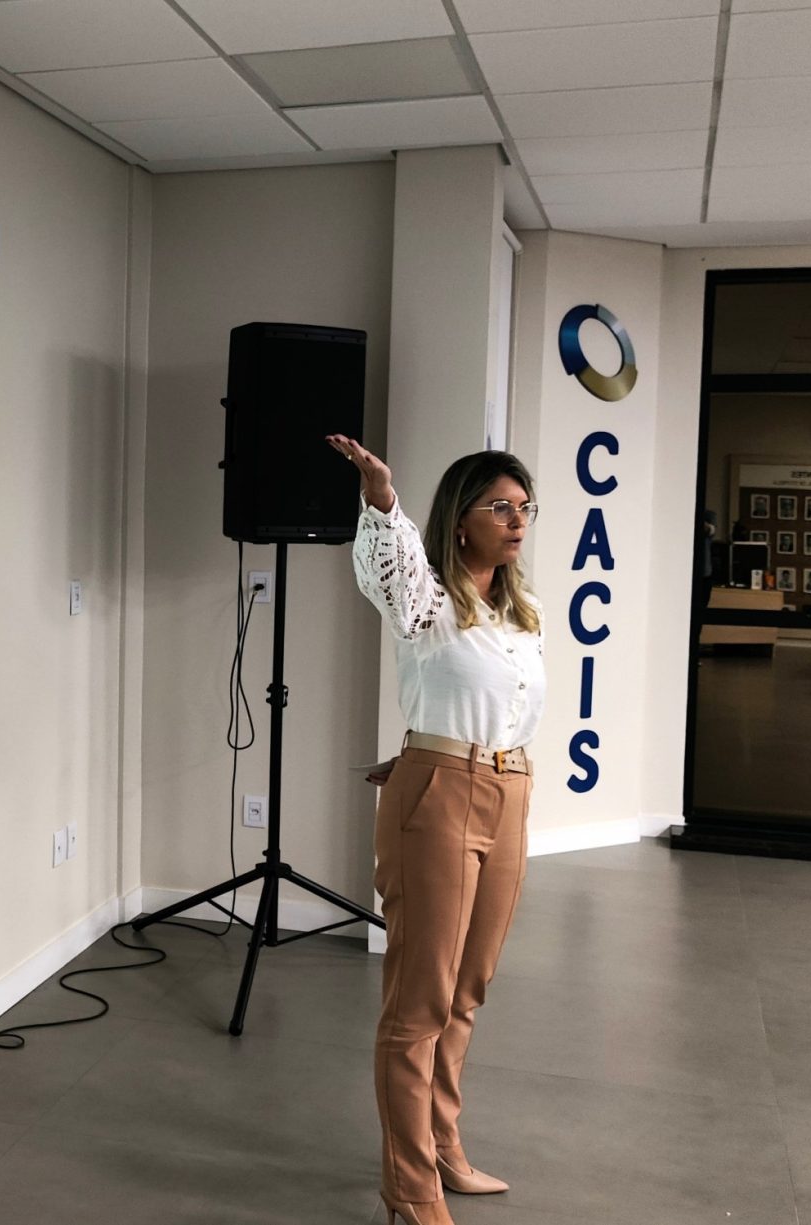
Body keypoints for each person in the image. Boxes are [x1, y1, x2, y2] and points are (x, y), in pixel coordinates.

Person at [328, 436, 543, 1225]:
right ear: (460, 519)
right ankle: (410, 1186)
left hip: (510, 790)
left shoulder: (520, 613)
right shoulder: (426, 602)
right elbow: (390, 569)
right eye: (501, 506)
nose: (517, 520)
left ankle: (443, 1143)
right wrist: (383, 499)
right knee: (420, 999)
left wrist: (439, 749)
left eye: (525, 507)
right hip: (444, 795)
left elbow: (493, 707)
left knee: (468, 988)